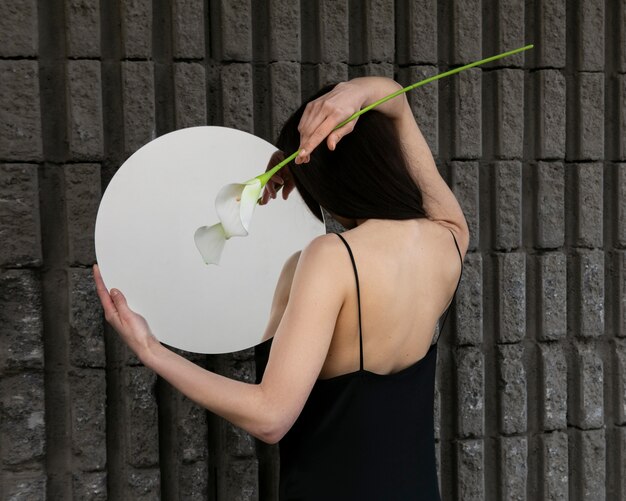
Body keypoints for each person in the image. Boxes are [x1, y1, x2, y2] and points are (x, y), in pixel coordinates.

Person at [94, 76, 469, 500]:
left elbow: (271, 417)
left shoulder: (332, 257)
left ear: (326, 178)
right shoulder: (449, 237)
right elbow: (396, 104)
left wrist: (150, 350)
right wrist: (362, 93)